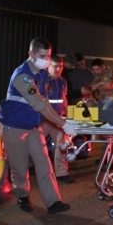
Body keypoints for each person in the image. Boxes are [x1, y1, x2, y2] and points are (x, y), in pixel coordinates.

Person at [0, 37, 77, 214]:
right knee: (19, 166)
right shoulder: (23, 76)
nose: (46, 60)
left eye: (48, 56)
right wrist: (63, 124)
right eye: (42, 56)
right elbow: (38, 104)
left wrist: (62, 120)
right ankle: (23, 196)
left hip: (33, 126)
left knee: (44, 164)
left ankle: (53, 202)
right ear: (30, 54)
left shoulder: (41, 73)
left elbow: (45, 102)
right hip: (14, 126)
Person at [41, 54, 74, 184]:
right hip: (45, 119)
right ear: (48, 66)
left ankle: (62, 173)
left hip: (59, 119)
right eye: (55, 66)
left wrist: (66, 116)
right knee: (36, 144)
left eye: (60, 67)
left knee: (62, 146)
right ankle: (31, 167)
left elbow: (63, 99)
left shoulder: (62, 81)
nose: (58, 69)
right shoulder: (43, 80)